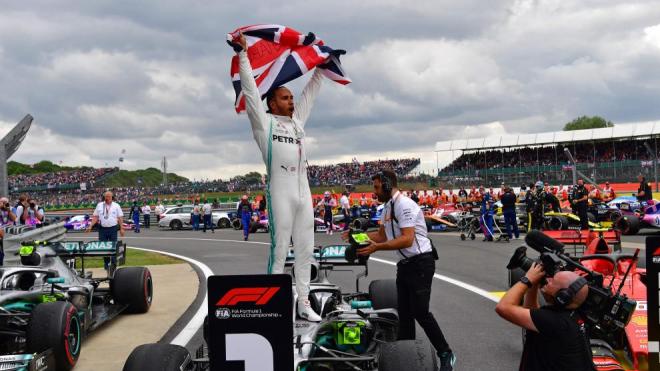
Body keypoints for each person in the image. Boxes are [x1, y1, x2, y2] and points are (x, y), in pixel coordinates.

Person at [236, 33, 322, 321]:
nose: (292, 102)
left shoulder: (297, 124)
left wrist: (323, 65)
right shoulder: (264, 123)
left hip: (303, 191)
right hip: (280, 190)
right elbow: (249, 91)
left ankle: (304, 301)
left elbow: (310, 93)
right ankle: (276, 303)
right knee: (280, 248)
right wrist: (243, 56)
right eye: (285, 98)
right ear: (272, 103)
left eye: (291, 98)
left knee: (306, 249)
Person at [343, 170, 456, 370]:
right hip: (404, 265)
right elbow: (381, 236)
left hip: (421, 262)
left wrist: (376, 248)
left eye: (377, 187)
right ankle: (407, 357)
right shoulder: (387, 207)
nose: (374, 192)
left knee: (420, 312)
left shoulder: (404, 205)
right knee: (403, 315)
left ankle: (445, 352)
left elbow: (407, 238)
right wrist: (356, 235)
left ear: (387, 185)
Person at [495, 265, 594, 371]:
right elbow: (533, 313)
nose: (547, 279)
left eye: (552, 281)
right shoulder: (572, 316)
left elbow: (503, 307)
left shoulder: (554, 321)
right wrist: (533, 286)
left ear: (563, 296)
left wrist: (527, 279)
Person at [87, 191, 125, 270]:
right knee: (104, 246)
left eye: (109, 196)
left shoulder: (116, 205)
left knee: (113, 246)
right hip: (102, 229)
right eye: (106, 196)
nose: (107, 198)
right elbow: (95, 217)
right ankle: (106, 263)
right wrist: (90, 226)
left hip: (113, 228)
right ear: (104, 197)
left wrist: (121, 228)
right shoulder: (99, 205)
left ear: (112, 197)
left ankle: (114, 263)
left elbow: (120, 217)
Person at [0, 197, 17, 266]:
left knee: (8, 249)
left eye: (5, 202)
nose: (3, 204)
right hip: (0, 233)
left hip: (9, 232)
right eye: (2, 202)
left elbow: (15, 219)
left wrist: (8, 210)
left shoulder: (12, 209)